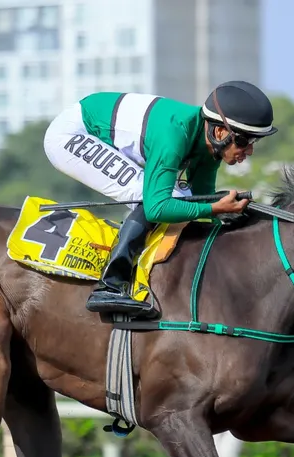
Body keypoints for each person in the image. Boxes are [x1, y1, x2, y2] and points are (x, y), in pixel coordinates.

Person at [43, 80, 278, 318]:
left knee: (186, 199)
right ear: (219, 132)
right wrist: (214, 208)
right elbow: (157, 208)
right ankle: (111, 284)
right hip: (72, 134)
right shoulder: (174, 136)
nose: (248, 151)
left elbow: (200, 203)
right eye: (244, 140)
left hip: (99, 124)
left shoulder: (209, 147)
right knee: (162, 197)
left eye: (254, 142)